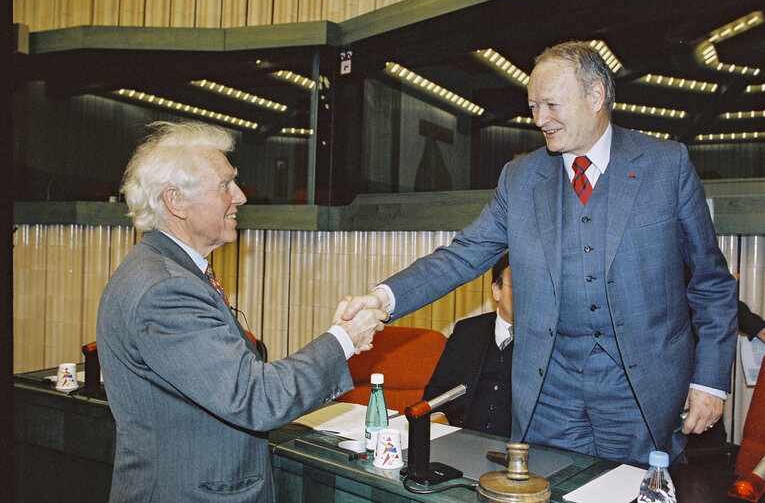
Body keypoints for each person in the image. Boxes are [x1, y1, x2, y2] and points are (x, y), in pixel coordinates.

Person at [343, 41, 737, 465]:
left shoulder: (667, 165)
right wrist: (382, 299)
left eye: (551, 104)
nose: (539, 120)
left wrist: (710, 381)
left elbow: (711, 284)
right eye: (533, 106)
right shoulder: (520, 178)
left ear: (596, 95)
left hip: (641, 392)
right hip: (550, 393)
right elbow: (463, 255)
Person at [96, 121, 388, 502]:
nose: (240, 196)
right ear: (176, 201)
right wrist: (343, 340)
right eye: (224, 185)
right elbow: (257, 399)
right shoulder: (166, 290)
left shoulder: (163, 269)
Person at [423, 253, 514, 436]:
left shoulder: (547, 340)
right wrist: (440, 419)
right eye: (517, 288)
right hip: (462, 441)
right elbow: (436, 390)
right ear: (496, 290)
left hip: (516, 451)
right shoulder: (467, 331)